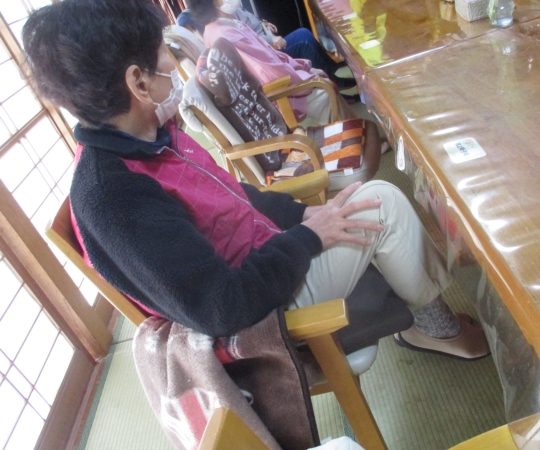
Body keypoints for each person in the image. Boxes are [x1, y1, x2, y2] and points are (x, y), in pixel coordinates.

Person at [23, 0, 489, 360]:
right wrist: (309, 236)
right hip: (263, 316)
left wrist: (305, 213)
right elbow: (223, 308)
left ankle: (425, 314)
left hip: (268, 257)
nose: (173, 64)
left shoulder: (148, 134)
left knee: (362, 203)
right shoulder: (114, 198)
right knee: (382, 203)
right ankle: (434, 328)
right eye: (164, 54)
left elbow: (232, 193)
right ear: (138, 83)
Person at [187, 0, 353, 125]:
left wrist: (306, 68)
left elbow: (273, 56)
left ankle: (354, 137)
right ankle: (354, 142)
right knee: (326, 93)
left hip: (273, 85)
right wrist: (308, 77)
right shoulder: (225, 35)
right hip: (271, 98)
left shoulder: (229, 25)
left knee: (321, 80)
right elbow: (270, 74)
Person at [177, 7, 352, 88]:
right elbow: (263, 64)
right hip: (269, 57)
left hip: (267, 45)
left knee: (303, 37)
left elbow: (251, 27)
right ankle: (333, 80)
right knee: (304, 38)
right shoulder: (222, 31)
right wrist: (306, 73)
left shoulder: (230, 16)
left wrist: (265, 26)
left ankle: (331, 77)